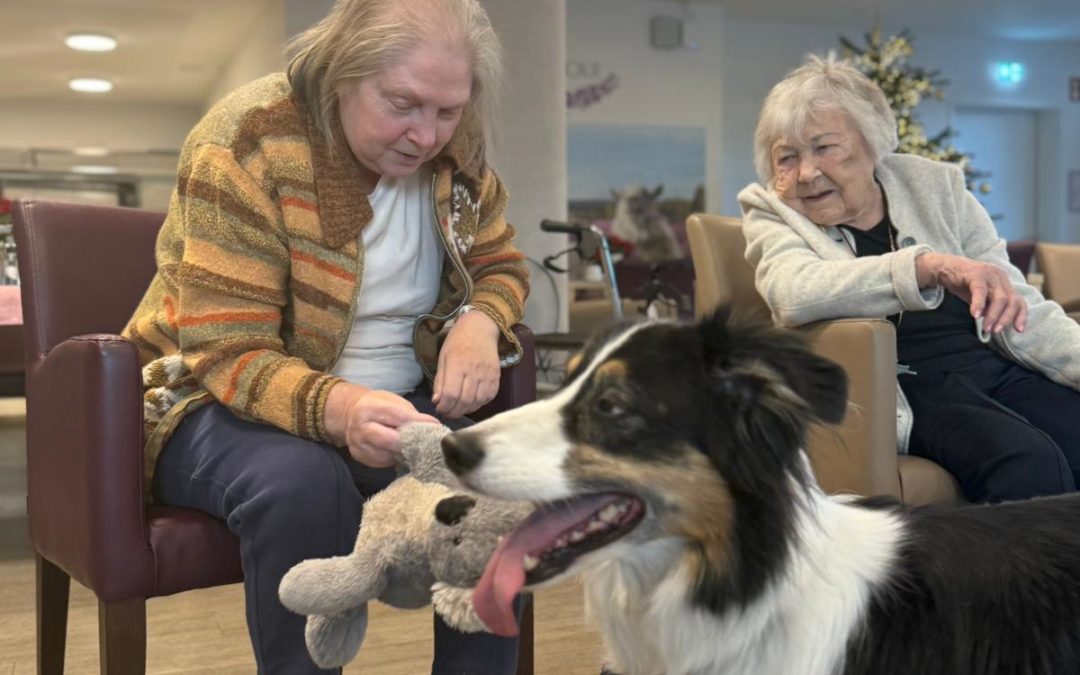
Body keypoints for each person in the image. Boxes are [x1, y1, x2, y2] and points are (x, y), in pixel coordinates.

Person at [122, 0, 529, 672]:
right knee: (304, 482)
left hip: (395, 404)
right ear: (342, 73)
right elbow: (228, 348)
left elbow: (501, 264)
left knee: (492, 489)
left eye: (447, 111)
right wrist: (339, 408)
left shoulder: (459, 157)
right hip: (209, 398)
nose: (426, 135)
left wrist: (481, 320)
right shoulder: (248, 141)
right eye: (403, 103)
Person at [738, 54, 1080, 504]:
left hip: (991, 364)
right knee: (1025, 461)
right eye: (787, 157)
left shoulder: (936, 186)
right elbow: (793, 293)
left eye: (824, 148)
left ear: (873, 143)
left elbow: (1018, 304)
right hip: (907, 386)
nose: (805, 173)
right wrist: (923, 267)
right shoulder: (772, 211)